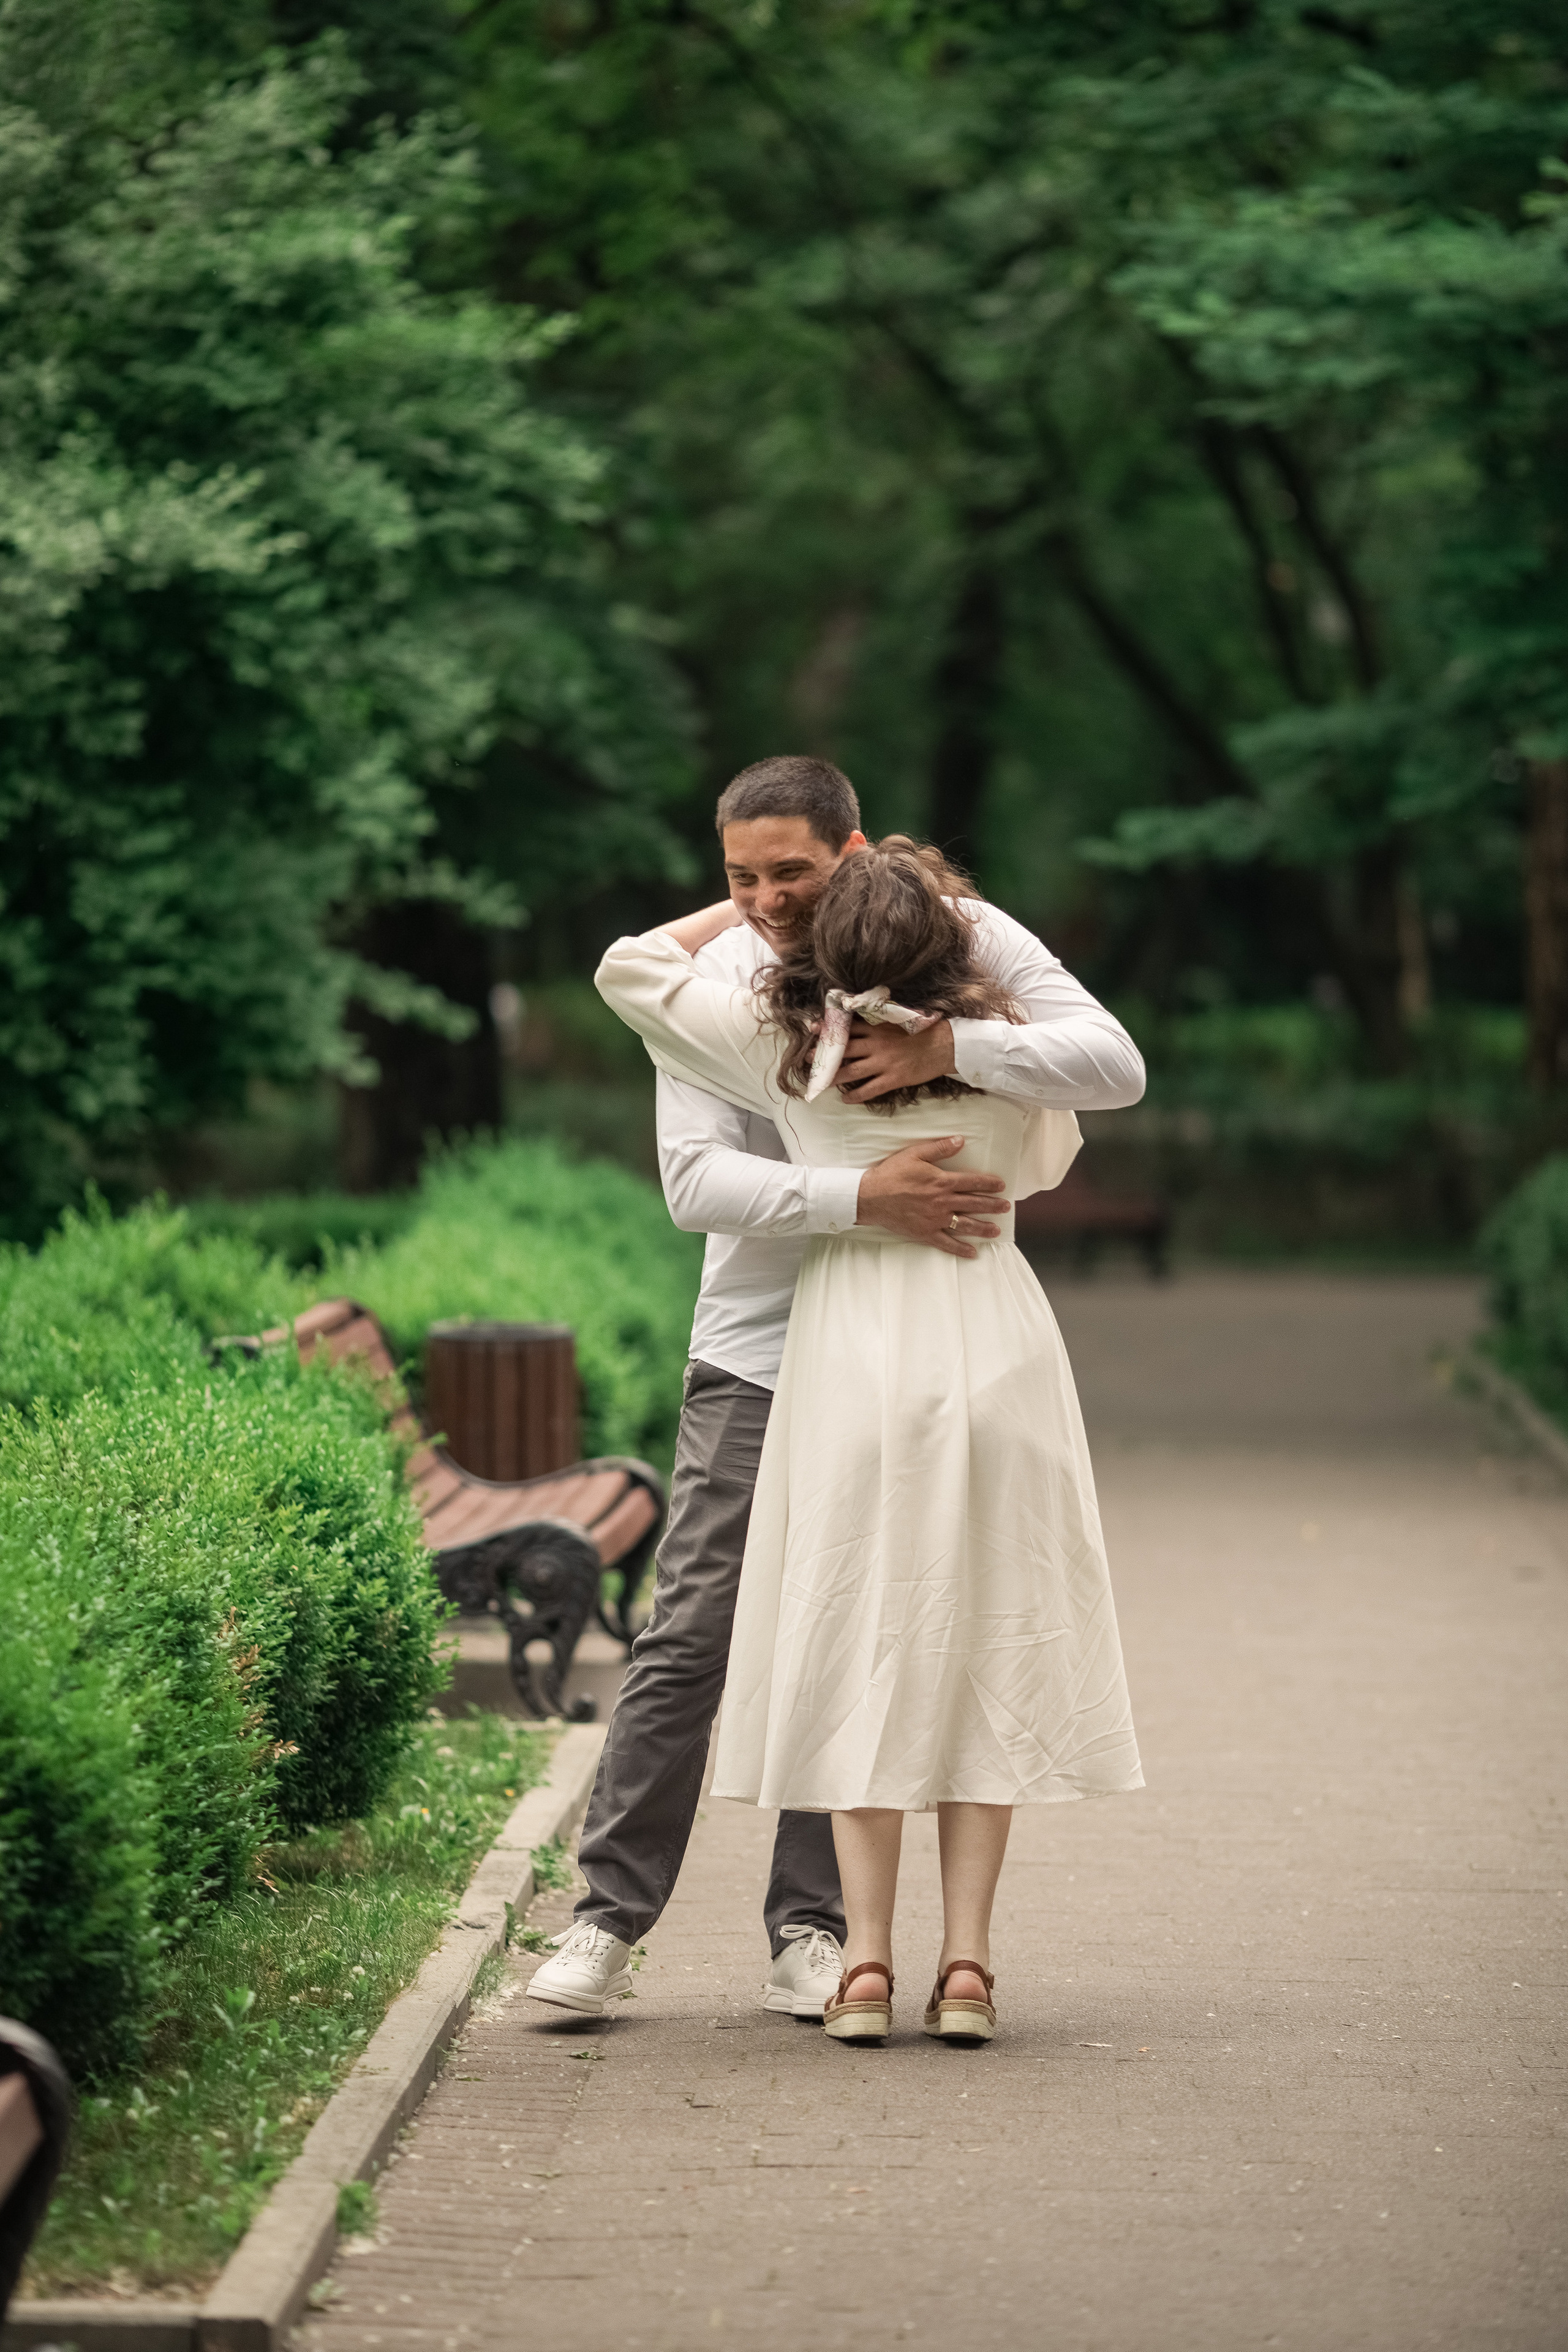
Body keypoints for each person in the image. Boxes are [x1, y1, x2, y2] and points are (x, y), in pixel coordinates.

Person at [525, 759, 1144, 2024]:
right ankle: (606, 1918)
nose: (761, 900)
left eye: (788, 874)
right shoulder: (720, 989)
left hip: (901, 1340)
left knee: (855, 1621)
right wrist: (866, 1196)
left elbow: (1107, 1056)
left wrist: (945, 1040)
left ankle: (813, 1929)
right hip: (761, 1344)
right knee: (696, 1630)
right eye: (737, 875)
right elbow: (695, 1186)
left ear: (851, 852)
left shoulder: (950, 943)